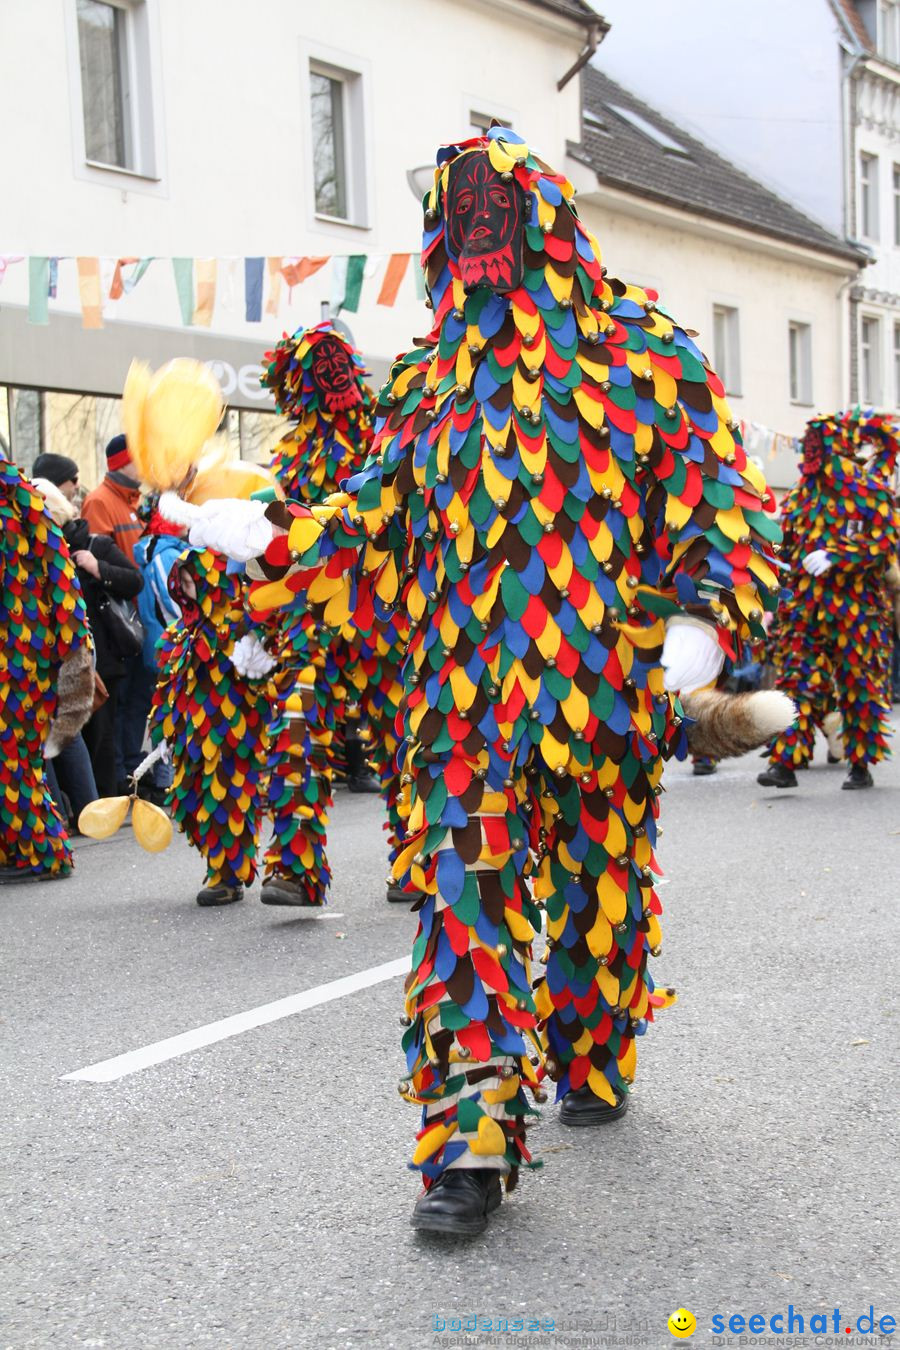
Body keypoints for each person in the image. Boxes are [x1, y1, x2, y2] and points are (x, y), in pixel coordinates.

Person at [169, 126, 781, 1235]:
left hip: (604, 692)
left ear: (545, 226)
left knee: (600, 883)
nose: (481, 236)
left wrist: (699, 623)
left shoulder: (644, 353)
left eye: (498, 215)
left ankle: (592, 1052)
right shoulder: (429, 379)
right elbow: (375, 514)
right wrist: (272, 534)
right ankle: (469, 1148)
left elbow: (720, 502)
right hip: (461, 704)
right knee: (464, 910)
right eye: (461, 219)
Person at [254, 322, 408, 908]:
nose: (333, 371)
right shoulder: (292, 454)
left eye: (338, 359)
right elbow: (282, 535)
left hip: (377, 611)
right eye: (318, 365)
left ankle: (416, 860)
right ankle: (293, 867)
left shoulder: (383, 429)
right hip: (309, 619)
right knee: (295, 732)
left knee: (399, 737)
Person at [759, 411, 899, 791]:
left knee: (858, 684)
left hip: (857, 611)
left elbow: (883, 546)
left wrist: (838, 555)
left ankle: (861, 763)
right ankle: (785, 763)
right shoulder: (801, 498)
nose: (813, 455)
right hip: (805, 609)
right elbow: (780, 544)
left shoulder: (870, 493)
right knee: (797, 682)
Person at [147, 550, 276, 905]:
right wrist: (161, 730)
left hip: (232, 736)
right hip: (191, 740)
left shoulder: (236, 625)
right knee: (191, 803)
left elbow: (261, 672)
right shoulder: (181, 634)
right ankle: (219, 868)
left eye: (193, 581)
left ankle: (228, 876)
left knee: (228, 801)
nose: (187, 589)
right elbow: (167, 688)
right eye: (183, 582)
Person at [0, 459, 90, 883]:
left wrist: (75, 655)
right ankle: (14, 848)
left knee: (14, 754)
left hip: (24, 656)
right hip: (14, 652)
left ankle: (46, 852)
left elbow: (62, 580)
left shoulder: (21, 500)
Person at [81, 434, 151, 792]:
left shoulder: (135, 502)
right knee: (123, 703)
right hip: (120, 624)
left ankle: (132, 770)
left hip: (141, 619)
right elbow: (97, 561)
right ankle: (123, 775)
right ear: (124, 461)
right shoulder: (99, 501)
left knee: (139, 699)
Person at [31, 477, 99, 829]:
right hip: (69, 647)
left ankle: (57, 815)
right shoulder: (58, 544)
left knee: (51, 732)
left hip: (50, 653)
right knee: (65, 730)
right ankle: (86, 810)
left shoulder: (41, 547)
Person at [63, 500, 144, 797]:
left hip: (103, 660)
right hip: (69, 659)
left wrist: (99, 568)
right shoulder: (45, 551)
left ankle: (104, 801)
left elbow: (135, 581)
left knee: (100, 736)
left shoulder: (96, 546)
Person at [133, 500, 187, 806]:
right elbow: (176, 601)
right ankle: (167, 779)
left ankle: (165, 777)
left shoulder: (149, 549)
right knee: (171, 711)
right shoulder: (165, 553)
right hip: (172, 642)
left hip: (160, 641)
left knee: (164, 709)